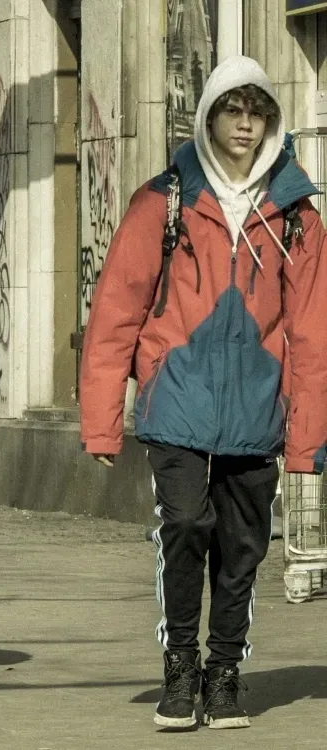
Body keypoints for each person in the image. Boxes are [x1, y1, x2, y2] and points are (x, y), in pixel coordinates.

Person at [80, 56, 327, 730]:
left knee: (244, 545)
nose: (245, 124)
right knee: (186, 524)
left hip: (257, 404)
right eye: (232, 110)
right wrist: (102, 421)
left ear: (271, 122)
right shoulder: (162, 201)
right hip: (177, 396)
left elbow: (314, 333)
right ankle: (181, 665)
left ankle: (224, 672)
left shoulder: (296, 214)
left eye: (258, 112)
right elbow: (116, 313)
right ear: (209, 116)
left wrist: (307, 441)